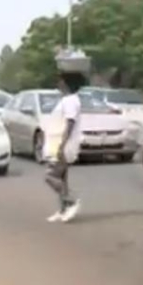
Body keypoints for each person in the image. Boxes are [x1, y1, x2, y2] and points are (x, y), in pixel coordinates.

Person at [43, 71, 85, 223]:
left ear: (67, 84)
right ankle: (62, 210)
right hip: (60, 143)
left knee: (50, 176)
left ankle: (71, 201)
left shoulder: (70, 101)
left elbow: (70, 122)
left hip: (62, 145)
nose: (58, 84)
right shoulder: (68, 100)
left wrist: (62, 144)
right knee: (62, 178)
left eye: (60, 81)